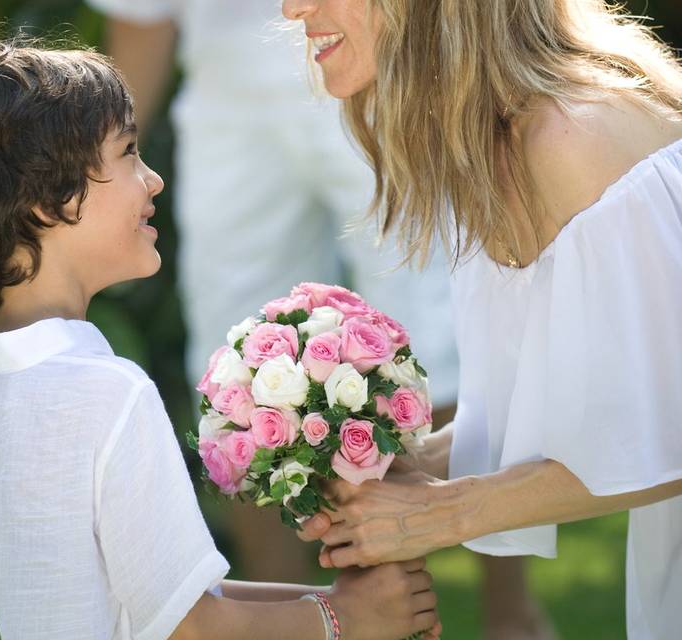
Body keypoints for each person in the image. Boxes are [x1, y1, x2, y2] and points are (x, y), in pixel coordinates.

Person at [0, 38, 441, 639]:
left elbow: (159, 599)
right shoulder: (106, 391)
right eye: (127, 152)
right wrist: (345, 622)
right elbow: (189, 629)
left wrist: (339, 602)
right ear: (48, 198)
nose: (151, 180)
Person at [280, 1, 682, 638]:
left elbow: (670, 434)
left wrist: (442, 515)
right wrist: (405, 467)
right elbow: (569, 412)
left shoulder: (574, 137)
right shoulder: (493, 142)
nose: (292, 7)